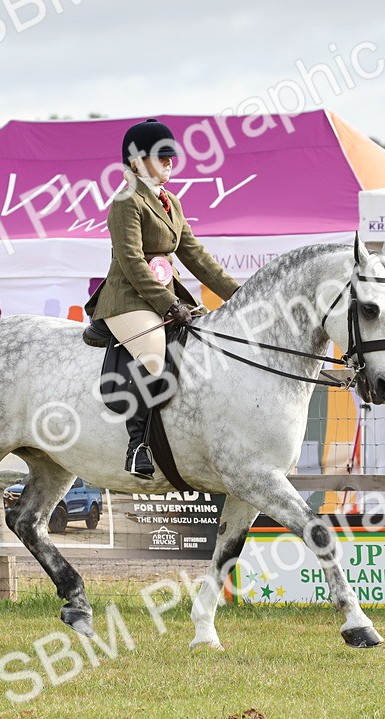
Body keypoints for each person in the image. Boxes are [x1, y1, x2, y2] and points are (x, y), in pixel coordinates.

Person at [83, 119, 240, 479]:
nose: (170, 162)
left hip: (163, 296)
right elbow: (132, 262)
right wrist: (168, 305)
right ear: (137, 162)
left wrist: (240, 295)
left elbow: (196, 256)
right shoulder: (126, 201)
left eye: (171, 157)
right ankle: (137, 443)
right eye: (161, 157)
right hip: (128, 299)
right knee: (154, 354)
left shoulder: (172, 202)